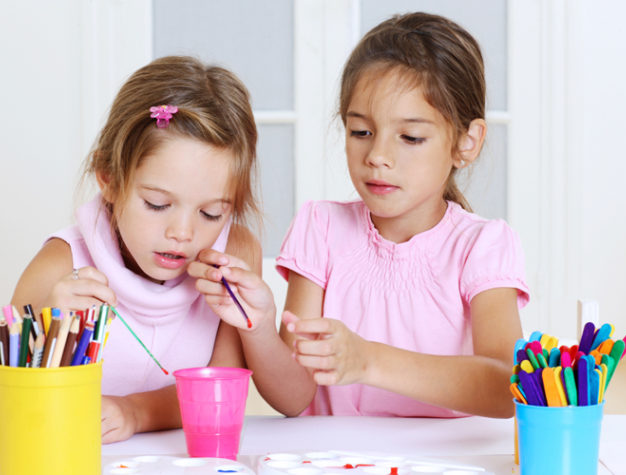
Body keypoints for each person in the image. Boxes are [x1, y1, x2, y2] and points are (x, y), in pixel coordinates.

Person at [190, 12, 528, 419]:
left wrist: (367, 360)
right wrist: (259, 325)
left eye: (411, 137)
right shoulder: (322, 228)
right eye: (361, 132)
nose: (378, 157)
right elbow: (293, 398)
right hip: (336, 457)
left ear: (466, 142)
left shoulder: (483, 246)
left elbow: (506, 387)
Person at [0, 56, 262, 442]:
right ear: (109, 180)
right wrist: (43, 329)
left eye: (211, 212)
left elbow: (219, 389)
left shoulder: (232, 255)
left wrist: (134, 413)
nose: (182, 233)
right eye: (156, 204)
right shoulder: (62, 263)